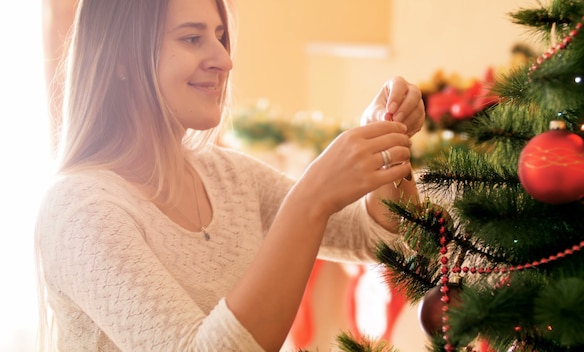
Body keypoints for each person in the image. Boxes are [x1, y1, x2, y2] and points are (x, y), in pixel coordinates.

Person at [34, 0, 425, 351]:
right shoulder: (81, 210)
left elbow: (379, 239)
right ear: (121, 58)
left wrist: (386, 137)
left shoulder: (230, 176)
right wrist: (310, 199)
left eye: (221, 37)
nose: (224, 59)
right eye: (192, 38)